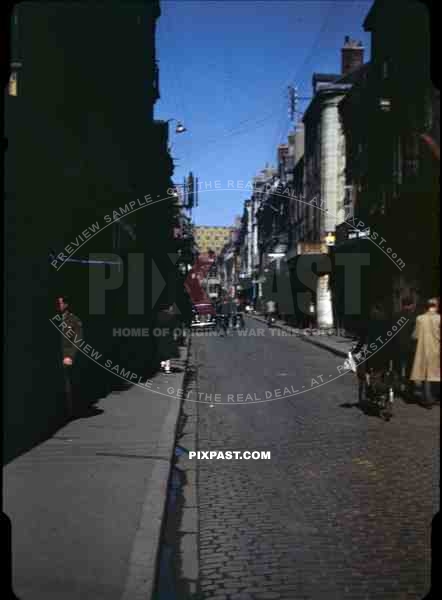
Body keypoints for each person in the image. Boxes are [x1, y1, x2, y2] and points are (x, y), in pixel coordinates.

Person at [410, 298, 440, 408]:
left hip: (423, 350)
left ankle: (428, 400)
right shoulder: (439, 318)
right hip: (436, 349)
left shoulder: (420, 318)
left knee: (426, 375)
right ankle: (434, 397)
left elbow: (415, 335)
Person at [56, 296, 83, 418]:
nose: (58, 305)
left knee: (68, 384)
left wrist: (70, 356)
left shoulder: (74, 320)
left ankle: (70, 411)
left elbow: (78, 340)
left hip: (66, 356)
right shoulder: (54, 319)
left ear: (66, 305)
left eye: (60, 303)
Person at [394, 297, 417, 395]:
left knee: (397, 369)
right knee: (410, 369)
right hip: (410, 346)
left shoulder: (396, 316)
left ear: (402, 305)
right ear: (411, 305)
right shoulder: (414, 317)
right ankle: (410, 390)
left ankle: (397, 388)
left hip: (397, 345)